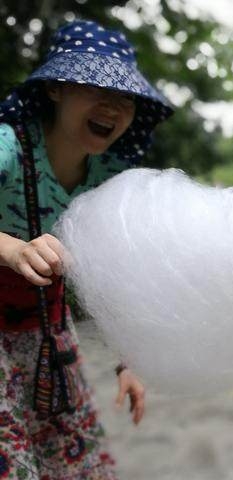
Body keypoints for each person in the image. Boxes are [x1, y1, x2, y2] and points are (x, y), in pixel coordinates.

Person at [0, 19, 172, 479]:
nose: (112, 106)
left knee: (77, 467)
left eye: (126, 98)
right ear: (55, 88)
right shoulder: (7, 146)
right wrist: (13, 250)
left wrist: (126, 361)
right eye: (96, 86)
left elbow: (111, 276)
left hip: (48, 335)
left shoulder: (106, 180)